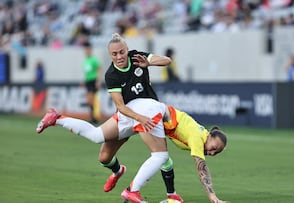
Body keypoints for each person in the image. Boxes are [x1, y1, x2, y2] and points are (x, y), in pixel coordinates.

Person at [37, 33, 175, 203]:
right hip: (130, 116)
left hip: (148, 113)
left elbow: (167, 60)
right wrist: (139, 118)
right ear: (110, 55)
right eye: (114, 54)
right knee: (103, 154)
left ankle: (171, 195)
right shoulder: (112, 75)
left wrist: (149, 62)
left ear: (127, 50)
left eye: (122, 52)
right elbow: (120, 107)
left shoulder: (136, 56)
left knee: (160, 155)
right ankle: (57, 118)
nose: (119, 57)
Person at [36, 103, 228, 203]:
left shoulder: (200, 135)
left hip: (146, 118)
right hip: (148, 118)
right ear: (210, 135)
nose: (211, 152)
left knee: (159, 157)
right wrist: (212, 196)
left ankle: (169, 194)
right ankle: (130, 187)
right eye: (214, 147)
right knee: (159, 156)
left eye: (216, 152)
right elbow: (200, 166)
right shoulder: (197, 136)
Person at [82, 41, 102, 124]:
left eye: (88, 50)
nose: (86, 52)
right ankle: (93, 117)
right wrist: (84, 81)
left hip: (93, 81)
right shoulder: (85, 60)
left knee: (92, 99)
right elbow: (86, 73)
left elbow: (99, 69)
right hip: (88, 81)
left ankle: (94, 118)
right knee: (89, 100)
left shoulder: (93, 60)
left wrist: (98, 81)